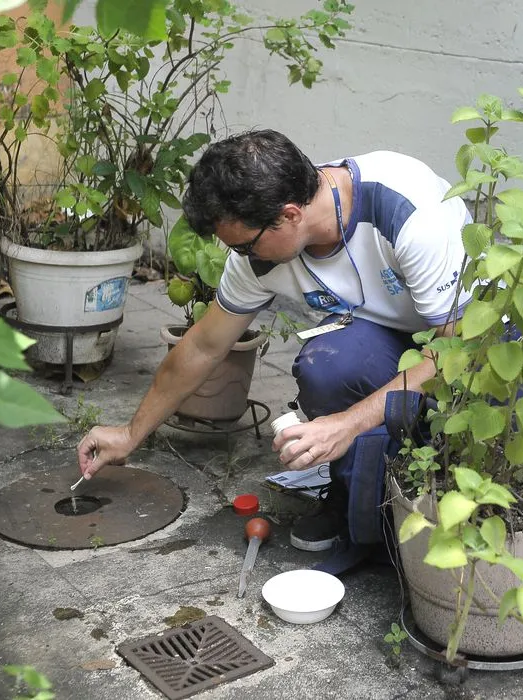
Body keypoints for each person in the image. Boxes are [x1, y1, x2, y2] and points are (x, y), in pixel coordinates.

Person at [77, 129, 474, 559]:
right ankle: (359, 505)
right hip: (387, 336)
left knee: (479, 441)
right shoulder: (258, 249)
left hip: (475, 340)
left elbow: (458, 352)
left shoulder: (408, 213)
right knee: (329, 365)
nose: (242, 258)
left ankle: (419, 492)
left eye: (245, 246)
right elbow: (203, 347)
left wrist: (347, 423)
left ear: (288, 215)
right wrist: (129, 434)